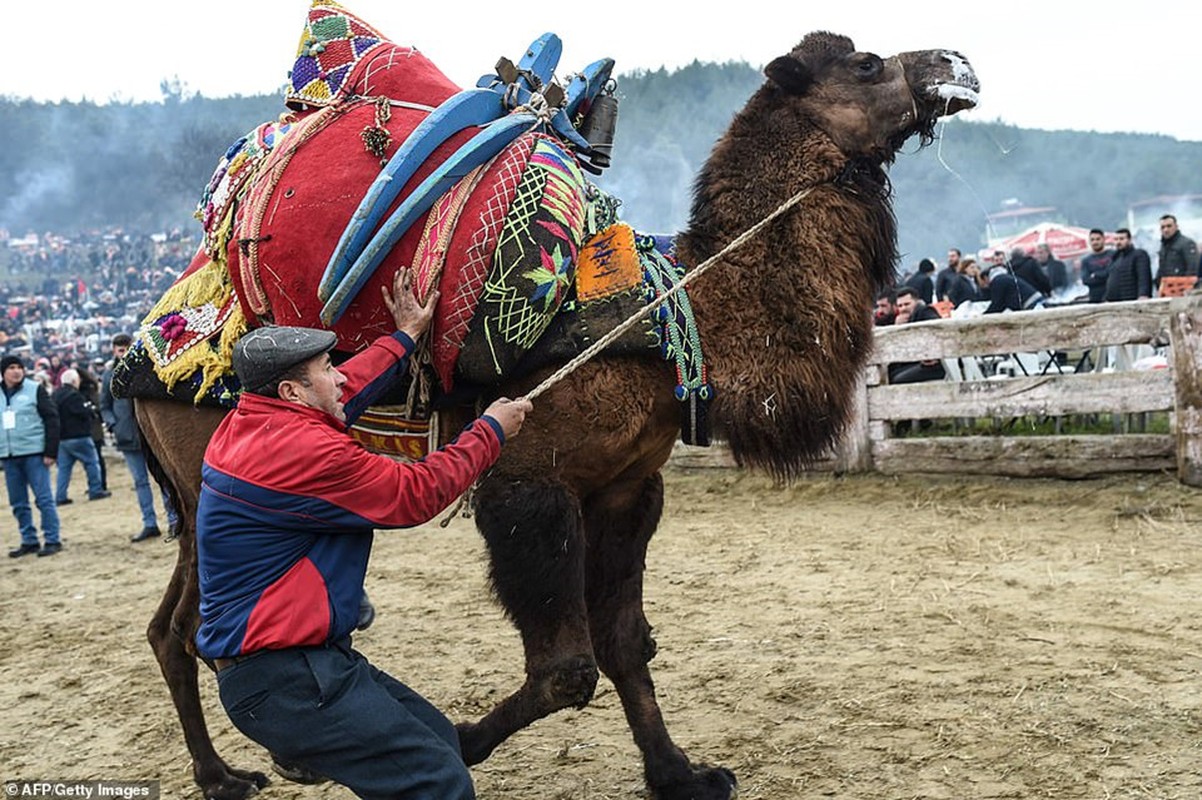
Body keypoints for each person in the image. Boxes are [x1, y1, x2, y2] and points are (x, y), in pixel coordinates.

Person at [200, 267, 531, 799]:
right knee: (438, 781)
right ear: (292, 389)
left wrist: (405, 336)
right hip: (286, 678)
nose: (339, 377)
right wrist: (490, 431)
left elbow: (347, 389)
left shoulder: (257, 420)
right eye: (326, 368)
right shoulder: (306, 453)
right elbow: (415, 493)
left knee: (441, 741)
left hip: (300, 664)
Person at [100, 332, 179, 542]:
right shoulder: (109, 375)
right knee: (140, 482)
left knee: (164, 480)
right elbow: (104, 404)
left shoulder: (144, 367)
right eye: (118, 347)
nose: (122, 350)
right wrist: (113, 423)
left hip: (150, 434)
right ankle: (150, 523)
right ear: (113, 349)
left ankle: (174, 520)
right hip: (128, 435)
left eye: (125, 346)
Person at [1, 354, 62, 557]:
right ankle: (29, 540)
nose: (17, 371)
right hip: (8, 456)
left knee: (44, 499)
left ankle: (52, 539)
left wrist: (50, 451)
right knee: (18, 503)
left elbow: (52, 419)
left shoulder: (35, 389)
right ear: (3, 372)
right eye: (11, 367)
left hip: (35, 454)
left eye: (19, 367)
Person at [51, 367, 110, 505]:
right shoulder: (74, 395)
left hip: (62, 439)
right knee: (92, 463)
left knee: (63, 470)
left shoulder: (55, 395)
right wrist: (90, 410)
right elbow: (83, 412)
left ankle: (60, 496)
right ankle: (96, 490)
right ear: (73, 381)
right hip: (79, 436)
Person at [887, 287, 945, 383]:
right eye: (900, 306)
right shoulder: (901, 320)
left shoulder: (924, 311)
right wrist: (897, 328)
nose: (903, 308)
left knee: (897, 379)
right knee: (891, 373)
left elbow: (938, 328)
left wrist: (933, 354)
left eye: (907, 304)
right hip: (916, 360)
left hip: (934, 363)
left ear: (916, 302)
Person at [1105, 228, 1152, 302]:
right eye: (1116, 239)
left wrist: (1143, 294)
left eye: (1121, 239)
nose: (1118, 242)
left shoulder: (1139, 255)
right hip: (1115, 300)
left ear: (1129, 240)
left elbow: (1143, 277)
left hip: (1132, 298)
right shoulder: (1114, 258)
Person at [1156, 214, 1198, 287]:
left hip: (1182, 288)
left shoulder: (1187, 243)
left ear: (1176, 226)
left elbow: (1192, 268)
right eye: (1163, 227)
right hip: (1167, 288)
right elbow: (1161, 269)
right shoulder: (1163, 247)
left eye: (1169, 226)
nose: (1166, 230)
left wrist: (1186, 286)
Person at [1079, 228, 1114, 304]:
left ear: (1103, 239)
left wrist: (1095, 275)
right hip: (1095, 299)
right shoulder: (1086, 260)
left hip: (1113, 297)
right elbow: (1085, 280)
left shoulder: (1113, 255)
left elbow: (1113, 274)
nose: (1095, 242)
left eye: (1098, 239)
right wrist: (1105, 276)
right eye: (1092, 240)